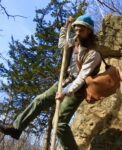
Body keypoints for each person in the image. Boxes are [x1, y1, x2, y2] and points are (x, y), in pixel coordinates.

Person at [0, 15, 102, 150]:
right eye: (76, 30)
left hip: (78, 88)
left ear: (89, 31)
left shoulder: (94, 54)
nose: (77, 33)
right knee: (39, 100)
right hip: (65, 80)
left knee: (59, 123)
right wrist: (66, 27)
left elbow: (82, 77)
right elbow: (62, 44)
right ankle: (16, 128)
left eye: (81, 30)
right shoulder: (74, 41)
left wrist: (65, 92)